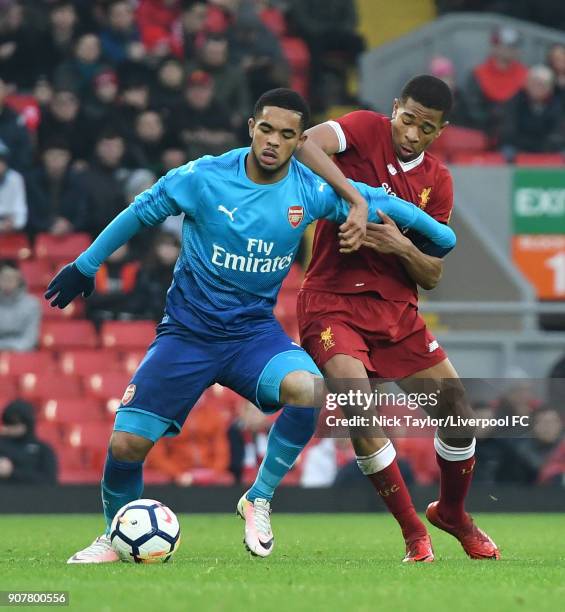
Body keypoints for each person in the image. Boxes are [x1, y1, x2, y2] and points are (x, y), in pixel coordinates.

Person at [44, 88, 455, 564]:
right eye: (266, 129)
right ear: (250, 127)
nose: (273, 142)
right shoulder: (203, 177)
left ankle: (258, 497)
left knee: (311, 388)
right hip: (187, 334)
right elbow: (139, 213)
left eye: (286, 135)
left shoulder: (311, 189)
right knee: (127, 443)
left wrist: (427, 235)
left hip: (252, 336)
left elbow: (431, 229)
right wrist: (86, 264)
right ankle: (114, 537)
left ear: (300, 141)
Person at [295, 75, 500, 562]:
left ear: (440, 131)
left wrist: (401, 245)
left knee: (458, 416)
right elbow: (304, 142)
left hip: (396, 312)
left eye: (425, 128)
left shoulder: (438, 182)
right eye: (407, 119)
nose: (411, 133)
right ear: (394, 109)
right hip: (332, 300)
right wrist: (356, 196)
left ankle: (452, 513)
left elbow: (431, 273)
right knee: (359, 408)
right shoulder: (363, 130)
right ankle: (414, 535)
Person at [0, 399, 57, 484]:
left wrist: (12, 473)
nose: (10, 427)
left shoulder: (43, 450)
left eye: (15, 422)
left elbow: (49, 481)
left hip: (33, 496)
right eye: (7, 422)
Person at [0, 260, 40, 352]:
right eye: (4, 277)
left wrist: (10, 349)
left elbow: (30, 339)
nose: (8, 281)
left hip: (23, 355)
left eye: (11, 278)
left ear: (19, 279)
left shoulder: (32, 305)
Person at [0, 139, 27, 234]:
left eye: (1, 160)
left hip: (12, 232)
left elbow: (21, 211)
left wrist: (14, 223)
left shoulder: (16, 179)